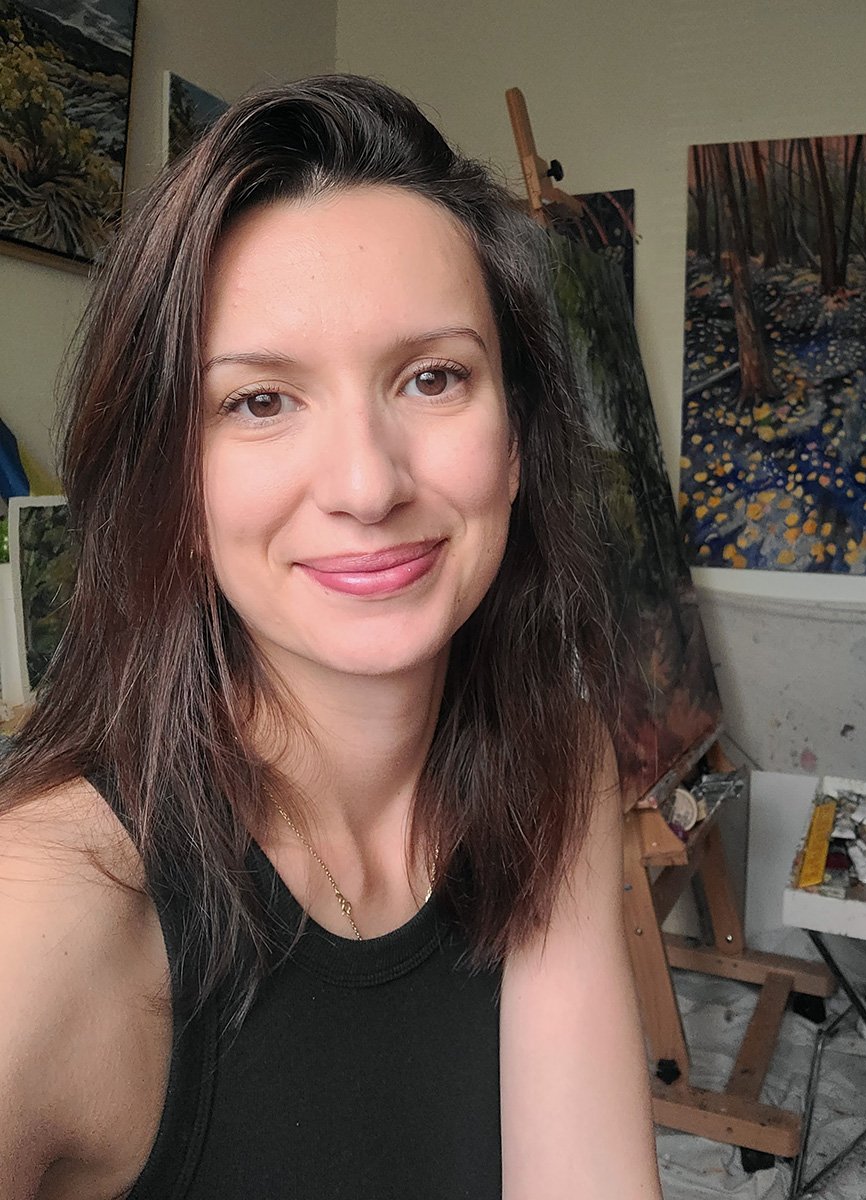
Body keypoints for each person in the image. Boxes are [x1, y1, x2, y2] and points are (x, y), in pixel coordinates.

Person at [0, 75, 662, 1199]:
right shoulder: (46, 915)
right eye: (260, 401)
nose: (367, 484)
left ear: (516, 442)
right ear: (174, 484)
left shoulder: (557, 769)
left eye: (433, 378)